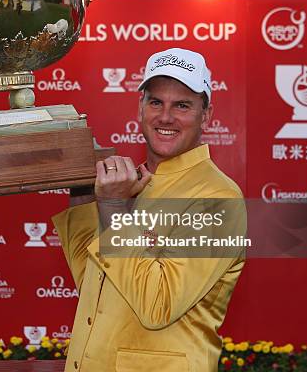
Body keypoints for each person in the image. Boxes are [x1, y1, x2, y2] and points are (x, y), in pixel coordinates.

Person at [53, 48, 246, 371]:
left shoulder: (218, 197)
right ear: (140, 108)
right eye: (156, 102)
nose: (166, 116)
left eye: (182, 105)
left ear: (207, 114)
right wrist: (84, 194)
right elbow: (93, 283)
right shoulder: (134, 182)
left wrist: (114, 207)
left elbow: (158, 305)